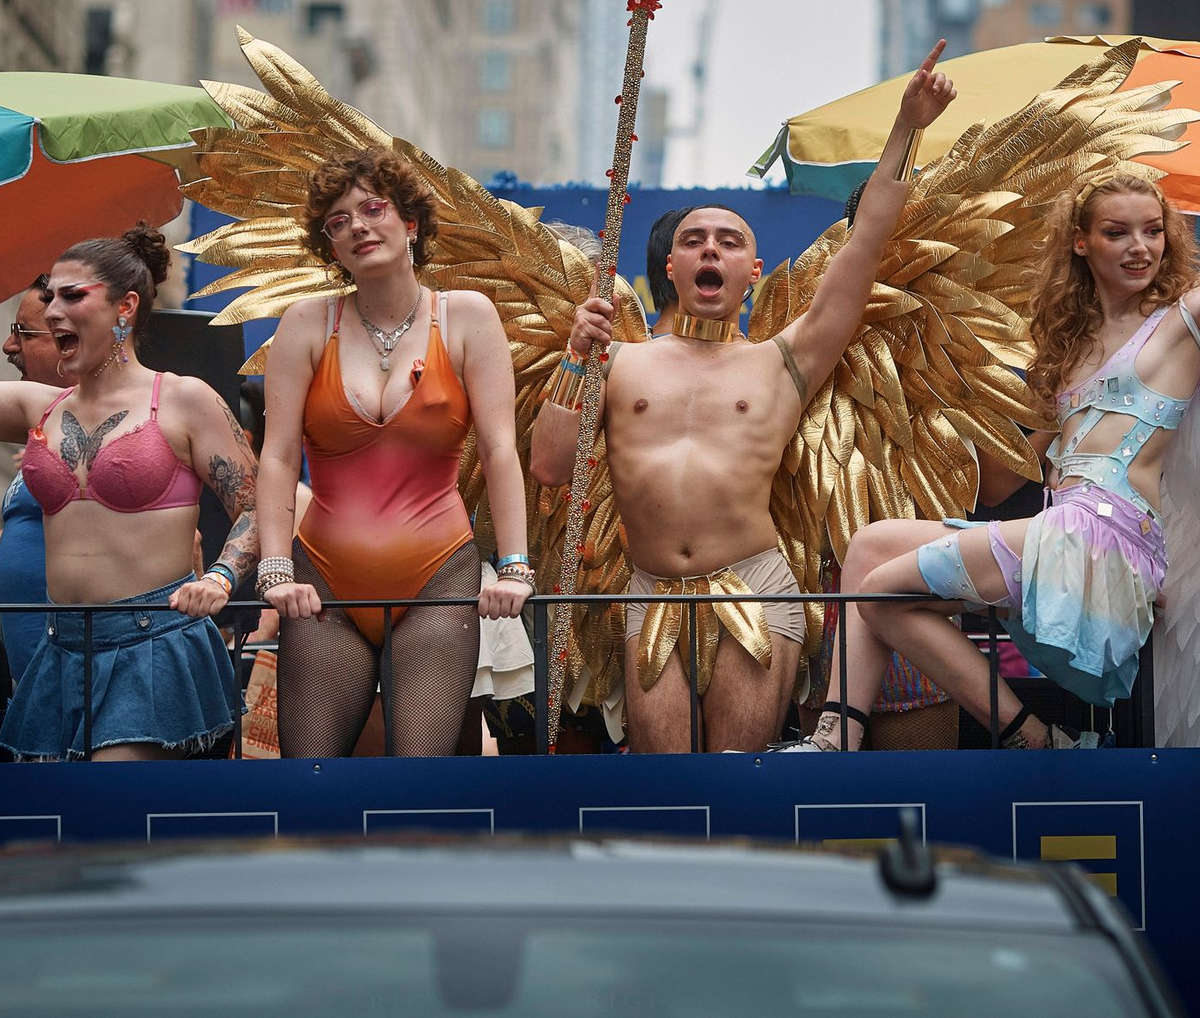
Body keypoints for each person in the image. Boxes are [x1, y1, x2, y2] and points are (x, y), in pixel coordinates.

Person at [531, 42, 957, 752]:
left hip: (755, 586)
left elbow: (868, 238)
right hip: (650, 592)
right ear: (671, 264)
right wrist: (576, 356)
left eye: (728, 241)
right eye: (694, 240)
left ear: (751, 270)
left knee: (741, 777)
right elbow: (548, 463)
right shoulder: (617, 359)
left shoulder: (784, 361)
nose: (709, 250)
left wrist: (906, 127)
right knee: (668, 796)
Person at [806, 173, 1200, 751]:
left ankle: (1029, 738)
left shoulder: (1183, 320)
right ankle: (836, 735)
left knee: (877, 591)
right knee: (868, 548)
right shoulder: (1066, 349)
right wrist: (950, 380)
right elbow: (995, 486)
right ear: (1080, 241)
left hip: (1109, 541)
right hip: (1060, 533)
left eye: (1153, 230)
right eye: (1118, 232)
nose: (1140, 247)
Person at [257, 146, 535, 758]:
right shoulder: (305, 323)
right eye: (337, 220)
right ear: (329, 246)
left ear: (410, 222)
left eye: (371, 208)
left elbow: (498, 449)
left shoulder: (467, 317)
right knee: (308, 782)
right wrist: (274, 568)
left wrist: (515, 566)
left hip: (439, 571)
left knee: (420, 787)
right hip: (323, 580)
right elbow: (276, 455)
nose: (355, 225)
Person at [0, 225, 258, 761]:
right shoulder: (39, 405)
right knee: (60, 829)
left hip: (151, 643)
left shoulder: (184, 399)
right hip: (59, 646)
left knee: (108, 809)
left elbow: (257, 506)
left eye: (73, 296)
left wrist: (221, 575)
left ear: (126, 307)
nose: (51, 312)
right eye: (51, 298)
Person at [0, 276, 78, 689]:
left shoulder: (108, 424)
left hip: (78, 682)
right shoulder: (44, 419)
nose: (9, 347)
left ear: (68, 338)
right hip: (34, 684)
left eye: (22, 333)